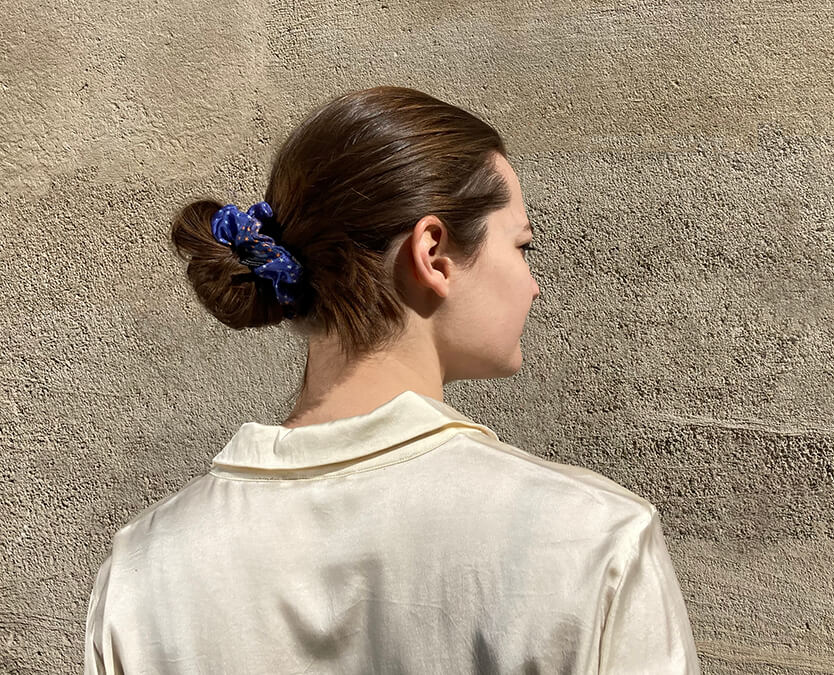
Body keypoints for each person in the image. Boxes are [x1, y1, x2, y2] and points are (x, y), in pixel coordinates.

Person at [83, 86, 701, 674]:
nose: (533, 285)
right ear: (432, 254)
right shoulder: (594, 542)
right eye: (522, 246)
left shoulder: (145, 568)